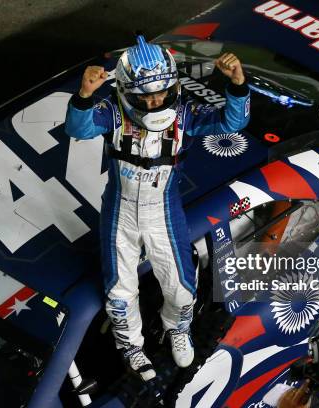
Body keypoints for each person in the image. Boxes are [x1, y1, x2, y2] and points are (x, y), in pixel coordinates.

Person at [64, 35, 250, 381]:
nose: (155, 100)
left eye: (162, 91)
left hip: (164, 210)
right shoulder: (114, 112)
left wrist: (237, 84)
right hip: (119, 211)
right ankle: (131, 348)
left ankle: (177, 329)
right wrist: (85, 94)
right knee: (119, 294)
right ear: (127, 91)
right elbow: (78, 127)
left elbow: (231, 123)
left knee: (180, 289)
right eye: (145, 95)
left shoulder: (184, 113)